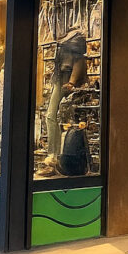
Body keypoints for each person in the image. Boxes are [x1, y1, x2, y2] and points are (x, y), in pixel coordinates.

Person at [40, 27, 87, 176]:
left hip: (63, 80)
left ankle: (53, 156)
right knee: (55, 117)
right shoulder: (70, 41)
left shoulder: (72, 41)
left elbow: (78, 60)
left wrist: (71, 82)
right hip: (61, 80)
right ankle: (55, 156)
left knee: (51, 116)